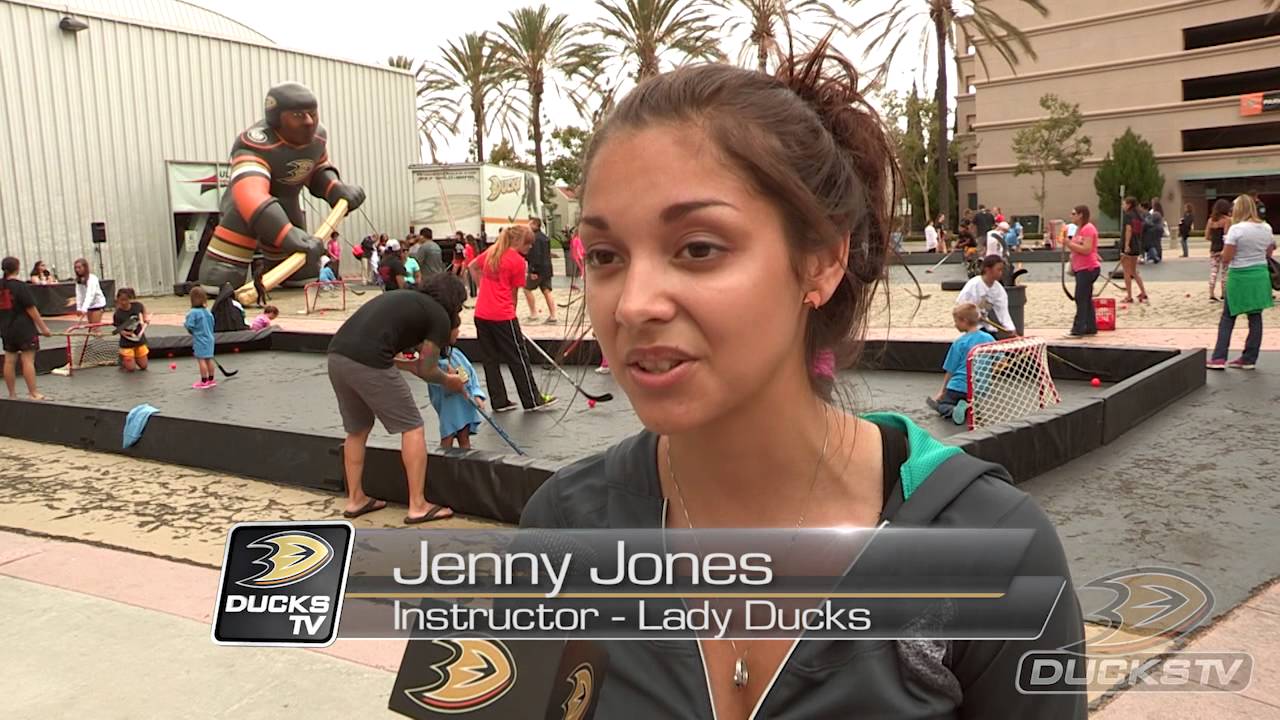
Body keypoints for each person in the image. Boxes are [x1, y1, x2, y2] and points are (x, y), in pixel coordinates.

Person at [519, 53, 1083, 719]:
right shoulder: (560, 530)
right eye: (607, 257)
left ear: (821, 258)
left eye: (698, 247)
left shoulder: (993, 549)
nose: (633, 303)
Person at [326, 274, 468, 524]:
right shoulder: (438, 316)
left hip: (337, 355)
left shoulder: (405, 299)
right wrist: (451, 381)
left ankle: (355, 498)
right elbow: (428, 369)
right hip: (368, 360)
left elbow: (401, 356)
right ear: (454, 301)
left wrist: (413, 367)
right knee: (412, 426)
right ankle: (418, 505)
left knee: (357, 430)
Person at [196, 82, 362, 290]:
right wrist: (286, 233)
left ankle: (287, 264)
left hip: (286, 203)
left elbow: (316, 170)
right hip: (247, 211)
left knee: (301, 269)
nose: (309, 122)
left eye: (312, 113)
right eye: (298, 115)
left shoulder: (317, 139)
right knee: (224, 273)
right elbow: (251, 195)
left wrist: (336, 188)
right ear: (276, 118)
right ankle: (224, 270)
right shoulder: (256, 143)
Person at [469, 225, 557, 412]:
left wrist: (482, 289)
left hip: (481, 313)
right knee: (518, 358)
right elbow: (513, 294)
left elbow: (472, 266)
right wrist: (512, 316)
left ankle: (499, 401)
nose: (530, 248)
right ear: (519, 242)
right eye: (529, 244)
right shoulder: (517, 261)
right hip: (502, 314)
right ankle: (532, 399)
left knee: (490, 359)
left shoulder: (493, 252)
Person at [1208, 194, 1275, 370]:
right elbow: (1269, 252)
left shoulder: (1236, 230)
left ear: (1238, 209)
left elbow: (1227, 257)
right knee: (1255, 317)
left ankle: (1218, 357)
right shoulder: (1266, 228)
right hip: (1260, 275)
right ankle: (1249, 358)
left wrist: (1223, 254)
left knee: (1228, 317)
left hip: (1239, 275)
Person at [927, 303, 995, 424]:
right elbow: (998, 357)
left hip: (958, 386)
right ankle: (969, 406)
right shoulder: (989, 338)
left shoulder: (960, 343)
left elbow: (950, 369)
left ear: (964, 321)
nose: (955, 324)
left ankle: (952, 410)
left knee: (941, 405)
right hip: (979, 389)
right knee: (969, 400)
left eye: (956, 321)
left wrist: (942, 391)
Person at [1, 256, 54, 400]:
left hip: (7, 329)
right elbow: (31, 308)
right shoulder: (20, 286)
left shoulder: (1, 286)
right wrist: (43, 328)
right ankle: (33, 392)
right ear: (17, 268)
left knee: (9, 361)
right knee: (28, 360)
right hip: (24, 328)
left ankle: (12, 394)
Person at [428, 321, 486, 449]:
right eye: (456, 329)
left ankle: (465, 466)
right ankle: (442, 465)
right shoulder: (435, 361)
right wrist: (451, 378)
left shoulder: (456, 354)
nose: (458, 332)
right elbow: (438, 384)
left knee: (464, 437)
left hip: (464, 402)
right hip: (449, 404)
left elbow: (470, 373)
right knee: (447, 437)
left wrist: (476, 394)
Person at [958, 255, 1016, 337]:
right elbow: (961, 305)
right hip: (971, 326)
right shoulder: (974, 284)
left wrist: (1010, 328)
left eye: (1001, 270)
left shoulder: (998, 289)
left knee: (991, 336)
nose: (1001, 273)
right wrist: (974, 315)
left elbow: (1002, 311)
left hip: (985, 324)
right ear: (987, 270)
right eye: (998, 270)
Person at [1065, 205, 1101, 337]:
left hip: (1088, 268)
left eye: (1073, 213)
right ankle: (1090, 326)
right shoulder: (1078, 230)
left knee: (1080, 297)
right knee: (1086, 297)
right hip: (1080, 267)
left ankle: (1078, 328)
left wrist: (1069, 244)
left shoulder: (1088, 229)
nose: (1071, 216)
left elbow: (1086, 249)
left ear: (1081, 215)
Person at [523, 217, 557, 323]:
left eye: (529, 224)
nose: (528, 226)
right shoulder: (545, 238)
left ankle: (533, 313)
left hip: (538, 268)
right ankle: (553, 315)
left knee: (527, 288)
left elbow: (535, 255)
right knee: (547, 291)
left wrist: (533, 270)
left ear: (534, 225)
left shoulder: (534, 238)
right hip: (547, 268)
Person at [184, 287, 217, 389]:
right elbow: (213, 323)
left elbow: (189, 325)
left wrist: (189, 329)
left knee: (201, 359)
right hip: (210, 338)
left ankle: (204, 380)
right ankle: (211, 379)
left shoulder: (193, 312)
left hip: (200, 338)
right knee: (209, 358)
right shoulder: (207, 312)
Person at [112, 288, 150, 372]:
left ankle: (135, 357)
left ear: (130, 299)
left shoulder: (137, 306)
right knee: (131, 368)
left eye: (126, 300)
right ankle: (123, 359)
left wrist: (145, 318)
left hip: (138, 339)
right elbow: (118, 329)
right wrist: (124, 333)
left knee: (144, 366)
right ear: (118, 299)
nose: (123, 302)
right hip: (127, 342)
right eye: (121, 300)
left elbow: (142, 308)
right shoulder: (117, 314)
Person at [1120, 197, 1149, 304]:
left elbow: (1128, 230)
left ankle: (1129, 296)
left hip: (1130, 245)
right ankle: (1143, 292)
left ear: (1128, 205)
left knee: (1127, 271)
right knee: (1133, 271)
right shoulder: (1139, 216)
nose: (1122, 206)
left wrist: (1126, 245)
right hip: (1137, 245)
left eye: (1124, 204)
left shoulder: (1128, 215)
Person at [1206, 198, 1232, 302]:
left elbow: (1207, 236)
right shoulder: (1226, 220)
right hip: (1223, 248)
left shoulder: (1211, 220)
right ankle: (1223, 293)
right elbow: (1226, 235)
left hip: (1213, 248)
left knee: (1213, 271)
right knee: (1224, 272)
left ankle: (1211, 293)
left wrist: (1214, 239)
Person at [65, 258, 107, 323]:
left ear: (85, 267)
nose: (77, 270)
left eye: (79, 267)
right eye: (76, 268)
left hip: (97, 304)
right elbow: (79, 294)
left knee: (95, 328)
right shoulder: (79, 280)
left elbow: (90, 295)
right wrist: (79, 308)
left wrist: (84, 308)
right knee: (91, 327)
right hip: (89, 306)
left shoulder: (92, 279)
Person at [1142, 200, 1164, 264]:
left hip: (1154, 231)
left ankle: (1155, 256)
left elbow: (1149, 222)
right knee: (1157, 244)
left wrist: (1145, 221)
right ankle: (1156, 256)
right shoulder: (1159, 213)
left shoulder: (1156, 213)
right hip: (1158, 230)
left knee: (1151, 244)